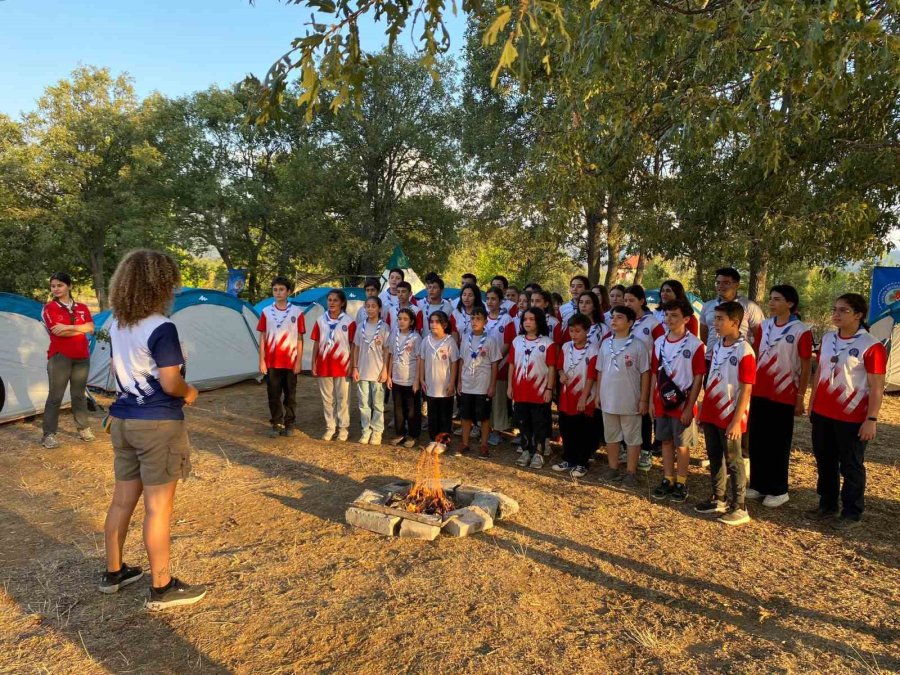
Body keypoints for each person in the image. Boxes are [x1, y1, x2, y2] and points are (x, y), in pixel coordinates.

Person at [101, 249, 206, 610]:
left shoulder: (117, 324)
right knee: (158, 509)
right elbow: (170, 382)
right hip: (158, 425)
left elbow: (116, 371)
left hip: (124, 421)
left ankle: (114, 573)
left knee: (121, 501)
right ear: (160, 284)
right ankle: (162, 586)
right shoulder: (162, 327)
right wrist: (190, 392)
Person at [808, 293, 885, 528]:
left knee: (851, 465)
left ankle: (852, 512)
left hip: (852, 416)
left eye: (844, 310)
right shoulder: (828, 338)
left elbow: (876, 386)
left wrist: (871, 419)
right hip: (823, 412)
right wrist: (812, 403)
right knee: (825, 460)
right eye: (835, 309)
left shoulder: (871, 346)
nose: (837, 314)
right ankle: (827, 503)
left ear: (859, 315)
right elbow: (820, 372)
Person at [747, 285, 813, 508]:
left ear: (790, 303)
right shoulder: (764, 326)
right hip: (760, 391)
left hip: (784, 393)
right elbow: (756, 354)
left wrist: (800, 396)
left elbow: (806, 366)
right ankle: (758, 484)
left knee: (778, 443)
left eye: (776, 299)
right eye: (770, 298)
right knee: (758, 439)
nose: (771, 303)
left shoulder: (801, 331)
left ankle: (779, 489)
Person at [695, 301, 756, 526]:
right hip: (712, 412)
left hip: (730, 414)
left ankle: (740, 506)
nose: (715, 324)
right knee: (714, 455)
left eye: (720, 319)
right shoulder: (718, 345)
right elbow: (712, 377)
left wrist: (736, 420)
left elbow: (746, 388)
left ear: (735, 322)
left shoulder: (744, 350)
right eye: (714, 319)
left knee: (733, 460)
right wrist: (704, 408)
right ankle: (718, 497)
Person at [649, 299, 706, 503]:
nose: (669, 319)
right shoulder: (659, 342)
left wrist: (690, 407)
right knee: (665, 441)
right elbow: (654, 373)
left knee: (682, 444)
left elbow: (698, 377)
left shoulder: (695, 345)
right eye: (666, 315)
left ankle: (681, 481)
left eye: (674, 315)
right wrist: (651, 401)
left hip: (683, 403)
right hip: (662, 402)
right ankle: (668, 478)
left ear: (686, 319)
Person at [595, 306, 650, 489]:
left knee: (632, 438)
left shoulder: (638, 345)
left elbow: (645, 374)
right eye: (612, 317)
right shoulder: (605, 344)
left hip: (630, 401)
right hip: (608, 399)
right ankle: (613, 468)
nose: (614, 320)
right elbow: (600, 371)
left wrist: (643, 399)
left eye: (619, 317)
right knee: (611, 436)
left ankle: (631, 472)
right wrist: (598, 394)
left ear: (630, 322)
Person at [40, 272, 95, 449]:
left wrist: (68, 327)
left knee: (79, 395)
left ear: (69, 286)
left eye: (60, 285)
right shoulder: (50, 308)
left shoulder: (82, 307)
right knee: (55, 396)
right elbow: (58, 332)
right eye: (53, 286)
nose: (56, 289)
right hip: (60, 357)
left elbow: (91, 328)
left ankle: (83, 428)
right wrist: (81, 328)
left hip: (82, 357)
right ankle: (49, 435)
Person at [508, 308, 557, 469]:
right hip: (520, 391)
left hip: (539, 392)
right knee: (524, 423)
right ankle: (526, 450)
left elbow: (551, 368)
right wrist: (510, 386)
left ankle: (538, 453)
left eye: (531, 319)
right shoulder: (517, 341)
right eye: (525, 319)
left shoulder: (547, 343)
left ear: (539, 321)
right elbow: (511, 365)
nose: (527, 322)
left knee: (539, 424)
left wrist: (549, 389)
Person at [623, 285, 665, 471]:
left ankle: (646, 451)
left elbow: (661, 348)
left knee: (644, 413)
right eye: (625, 300)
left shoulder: (653, 323)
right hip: (625, 374)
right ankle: (627, 448)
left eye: (631, 300)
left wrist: (655, 371)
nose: (627, 304)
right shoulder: (623, 321)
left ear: (642, 301)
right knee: (627, 411)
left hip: (645, 374)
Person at [552, 314, 599, 478]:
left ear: (587, 331)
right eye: (571, 331)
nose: (574, 334)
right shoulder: (566, 347)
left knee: (583, 430)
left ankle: (582, 462)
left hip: (583, 397)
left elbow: (592, 377)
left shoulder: (593, 350)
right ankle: (568, 458)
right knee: (566, 428)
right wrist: (561, 374)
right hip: (566, 397)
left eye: (578, 331)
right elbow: (559, 367)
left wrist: (584, 397)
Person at [257, 276, 305, 437]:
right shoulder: (266, 312)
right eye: (275, 289)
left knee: (290, 395)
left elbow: (300, 338)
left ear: (288, 292)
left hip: (290, 361)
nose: (278, 292)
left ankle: (290, 423)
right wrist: (261, 360)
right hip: (272, 361)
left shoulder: (297, 312)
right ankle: (277, 422)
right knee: (273, 394)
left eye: (281, 289)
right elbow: (262, 337)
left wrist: (299, 361)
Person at [311, 289, 356, 441]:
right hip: (324, 365)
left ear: (342, 303)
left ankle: (343, 428)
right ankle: (330, 427)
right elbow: (316, 343)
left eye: (335, 300)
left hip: (343, 366)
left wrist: (352, 365)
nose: (331, 303)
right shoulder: (320, 320)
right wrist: (314, 363)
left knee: (343, 399)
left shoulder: (349, 322)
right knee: (328, 399)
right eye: (329, 300)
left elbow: (353, 345)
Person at [457, 307, 502, 458]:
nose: (475, 321)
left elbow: (494, 364)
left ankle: (484, 445)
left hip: (483, 385)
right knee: (465, 415)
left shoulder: (490, 340)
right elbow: (462, 360)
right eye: (472, 318)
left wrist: (492, 385)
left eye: (478, 319)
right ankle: (465, 443)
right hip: (467, 383)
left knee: (484, 416)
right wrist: (459, 382)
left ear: (485, 322)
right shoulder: (465, 338)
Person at [699, 267, 765, 357]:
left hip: (738, 359)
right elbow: (704, 336)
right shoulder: (707, 306)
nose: (720, 286)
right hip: (711, 358)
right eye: (718, 282)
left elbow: (760, 336)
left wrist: (750, 355)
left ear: (737, 285)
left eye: (726, 283)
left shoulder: (750, 307)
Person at [352, 297, 391, 445]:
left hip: (378, 372)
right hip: (362, 371)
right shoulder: (360, 326)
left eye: (373, 306)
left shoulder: (385, 327)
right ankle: (366, 430)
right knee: (363, 404)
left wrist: (385, 370)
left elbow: (387, 350)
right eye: (367, 306)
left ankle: (377, 431)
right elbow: (356, 348)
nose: (370, 309)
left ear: (379, 309)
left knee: (378, 404)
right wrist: (355, 367)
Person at [418, 311, 460, 440]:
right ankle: (433, 439)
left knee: (445, 415)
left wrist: (452, 383)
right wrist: (421, 378)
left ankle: (443, 441)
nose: (433, 324)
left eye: (437, 322)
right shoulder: (426, 340)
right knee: (432, 415)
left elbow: (454, 363)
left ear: (445, 325)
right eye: (431, 322)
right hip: (430, 386)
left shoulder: (450, 341)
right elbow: (422, 359)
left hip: (445, 387)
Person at [386, 308, 422, 448]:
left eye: (405, 319)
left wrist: (416, 380)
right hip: (396, 379)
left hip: (410, 380)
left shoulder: (416, 338)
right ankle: (400, 433)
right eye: (399, 319)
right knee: (398, 409)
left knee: (412, 409)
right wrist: (389, 376)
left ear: (411, 322)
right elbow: (391, 356)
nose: (401, 321)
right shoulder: (394, 336)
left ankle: (413, 435)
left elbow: (419, 359)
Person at [485, 287, 513, 445]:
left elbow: (508, 343)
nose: (490, 302)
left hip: (500, 364)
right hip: (483, 365)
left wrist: (495, 359)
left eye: (493, 299)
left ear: (500, 301)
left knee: (498, 399)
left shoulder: (507, 319)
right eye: (488, 298)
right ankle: (485, 428)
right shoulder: (483, 317)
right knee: (485, 398)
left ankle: (497, 431)